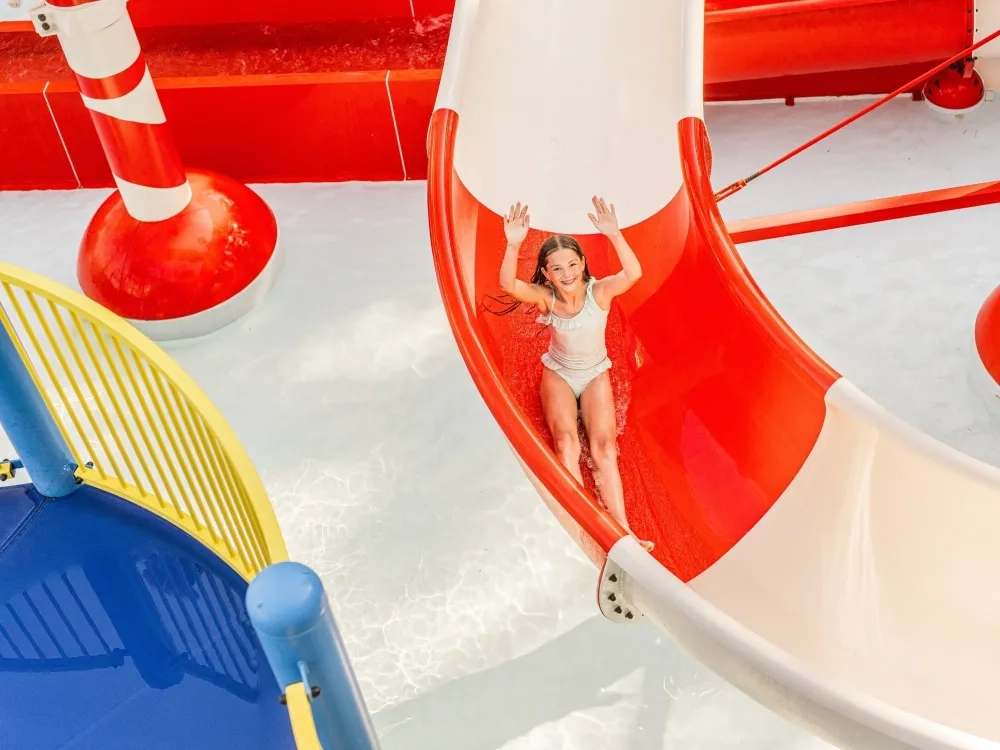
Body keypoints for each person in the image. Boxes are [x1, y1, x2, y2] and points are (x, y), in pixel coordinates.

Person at [499, 196, 652, 551]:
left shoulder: (599, 292)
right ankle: (579, 527)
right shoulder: (547, 298)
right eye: (556, 269)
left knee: (604, 450)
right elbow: (509, 285)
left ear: (583, 264)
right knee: (567, 443)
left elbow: (634, 274)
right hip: (560, 376)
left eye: (572, 264)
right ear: (546, 274)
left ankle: (623, 533)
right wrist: (513, 244)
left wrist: (614, 235)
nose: (566, 274)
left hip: (596, 373)